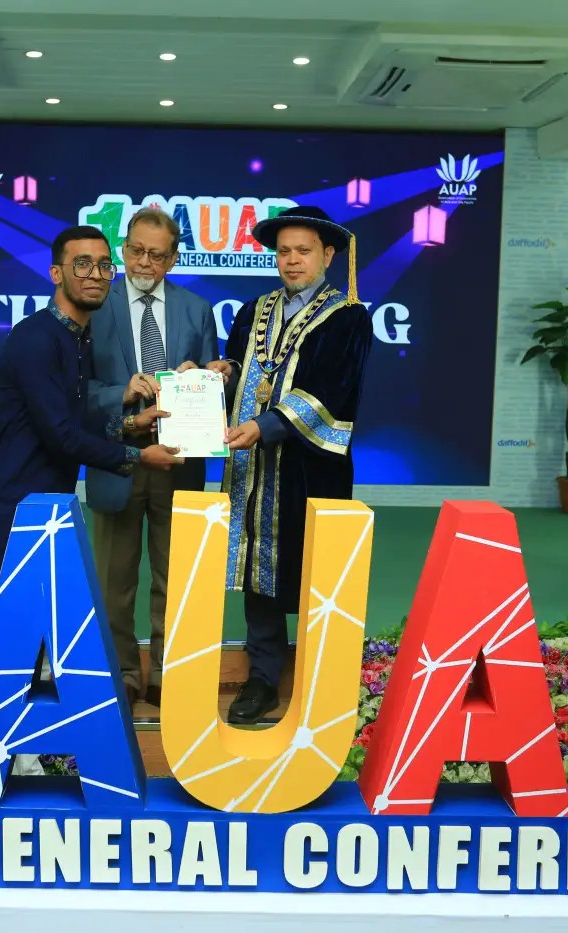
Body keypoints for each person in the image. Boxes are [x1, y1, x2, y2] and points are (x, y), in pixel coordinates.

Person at [0, 224, 181, 650]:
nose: (95, 275)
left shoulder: (78, 338)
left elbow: (71, 419)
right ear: (56, 273)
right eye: (82, 264)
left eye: (104, 266)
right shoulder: (36, 339)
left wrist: (131, 424)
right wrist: (139, 456)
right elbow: (60, 436)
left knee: (36, 635)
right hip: (9, 507)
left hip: (47, 507)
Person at [219, 205, 374, 725]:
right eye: (283, 251)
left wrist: (266, 426)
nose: (291, 260)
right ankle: (262, 677)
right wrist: (221, 372)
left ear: (327, 255)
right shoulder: (253, 311)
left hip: (311, 468)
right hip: (252, 469)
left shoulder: (348, 317)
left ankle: (321, 680)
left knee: (314, 572)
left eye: (303, 251)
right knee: (258, 572)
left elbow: (335, 390)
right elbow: (243, 367)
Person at [86, 207, 227, 709]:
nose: (144, 262)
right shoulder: (94, 305)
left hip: (179, 462)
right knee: (113, 581)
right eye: (136, 251)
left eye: (157, 254)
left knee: (176, 577)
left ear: (174, 258)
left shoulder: (197, 309)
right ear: (123, 249)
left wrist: (208, 375)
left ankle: (170, 672)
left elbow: (212, 385)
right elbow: (78, 390)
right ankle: (122, 673)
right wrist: (121, 395)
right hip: (118, 456)